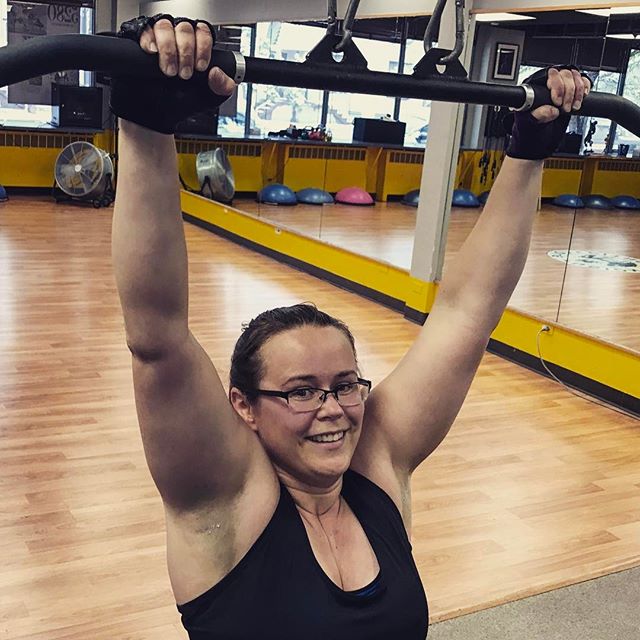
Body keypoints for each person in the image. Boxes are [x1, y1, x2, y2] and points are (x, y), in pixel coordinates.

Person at [109, 14, 591, 640]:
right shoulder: (225, 502)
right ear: (244, 406)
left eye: (345, 384)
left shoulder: (377, 466)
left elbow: (467, 316)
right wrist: (145, 126)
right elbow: (158, 338)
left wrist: (527, 151)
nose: (334, 409)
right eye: (301, 391)